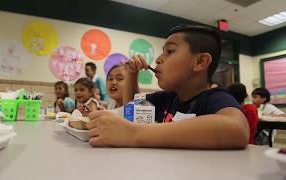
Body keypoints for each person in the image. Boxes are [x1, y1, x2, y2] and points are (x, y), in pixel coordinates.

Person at [86, 25, 249, 149]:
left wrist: (134, 134)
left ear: (200, 62)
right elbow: (134, 109)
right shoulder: (168, 98)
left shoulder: (214, 97)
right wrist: (132, 74)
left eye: (170, 51)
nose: (158, 59)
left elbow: (238, 130)